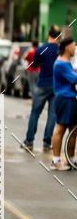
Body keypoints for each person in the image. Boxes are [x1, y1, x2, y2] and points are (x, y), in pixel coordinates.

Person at [21, 25, 61, 152]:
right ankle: (47, 142)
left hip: (43, 83)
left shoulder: (41, 49)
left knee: (35, 113)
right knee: (52, 115)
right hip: (56, 85)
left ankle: (29, 141)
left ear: (48, 34)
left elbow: (34, 64)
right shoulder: (61, 50)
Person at [50, 35, 77, 170]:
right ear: (67, 47)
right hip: (65, 98)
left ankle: (71, 159)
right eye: (73, 46)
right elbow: (75, 79)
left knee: (72, 129)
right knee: (60, 128)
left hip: (68, 98)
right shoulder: (61, 63)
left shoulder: (64, 62)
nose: (74, 48)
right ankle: (55, 161)